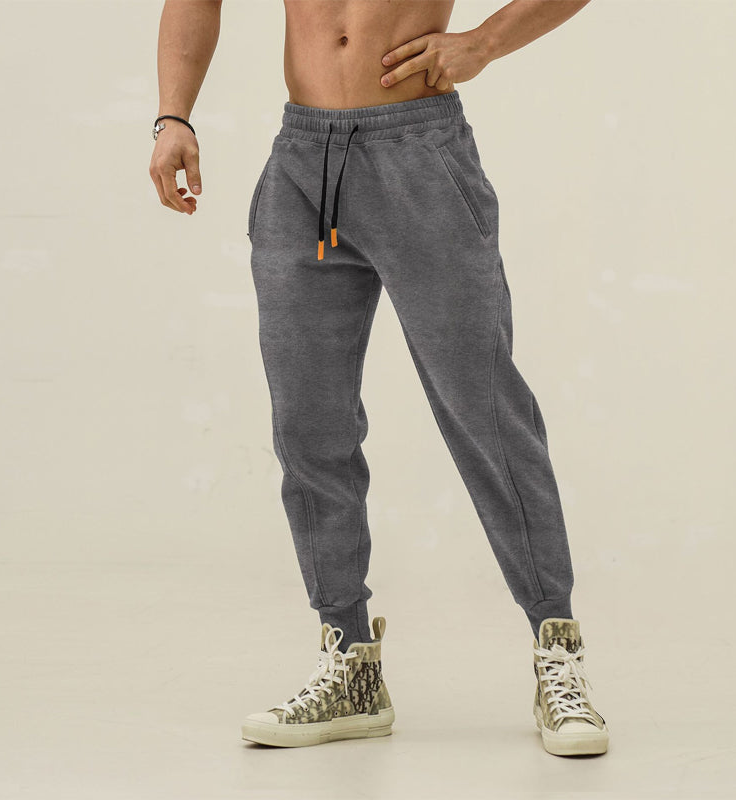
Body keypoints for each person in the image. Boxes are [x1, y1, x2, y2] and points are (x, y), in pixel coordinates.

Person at [149, 0, 609, 757]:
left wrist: (485, 43)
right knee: (308, 423)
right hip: (302, 162)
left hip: (419, 152)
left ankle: (556, 648)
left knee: (485, 409)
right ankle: (350, 664)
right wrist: (174, 116)